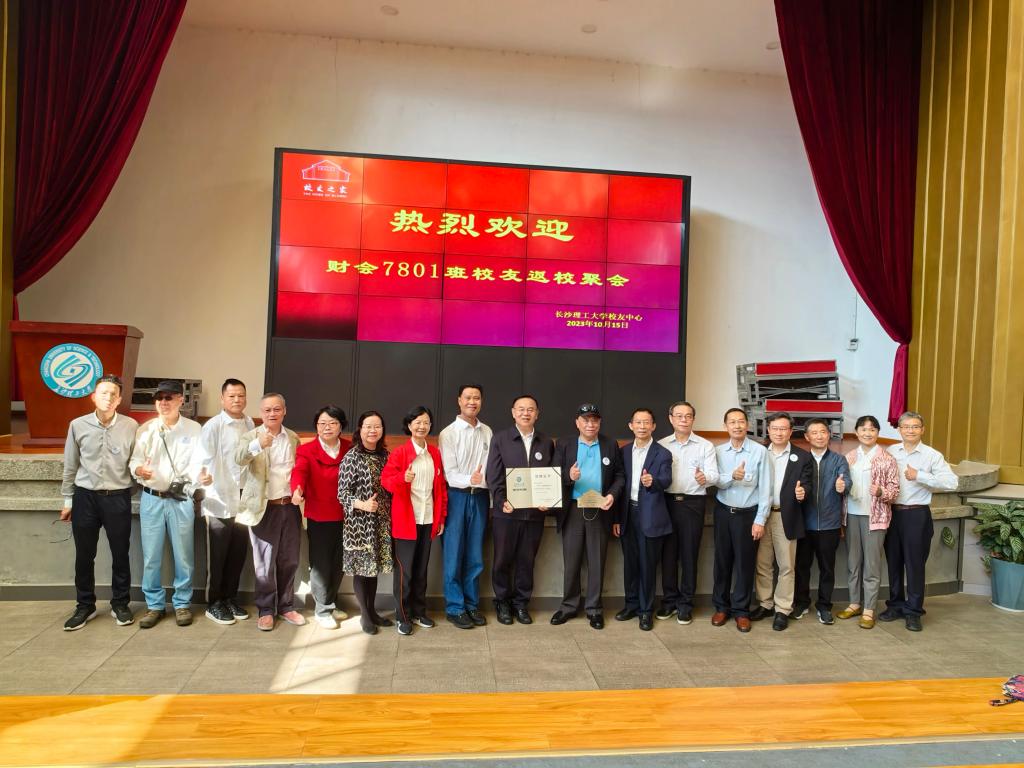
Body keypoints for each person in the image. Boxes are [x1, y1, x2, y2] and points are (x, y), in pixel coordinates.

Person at [59, 375, 139, 631]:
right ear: (93, 397)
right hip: (85, 497)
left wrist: (131, 489)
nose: (108, 397)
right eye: (103, 393)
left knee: (120, 553)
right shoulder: (77, 425)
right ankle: (85, 605)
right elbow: (71, 464)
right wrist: (68, 500)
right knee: (84, 555)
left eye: (113, 394)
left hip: (117, 497)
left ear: (119, 399)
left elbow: (136, 462)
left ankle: (120, 603)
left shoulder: (131, 426)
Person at [129, 381, 210, 629]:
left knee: (183, 555)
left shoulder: (194, 429)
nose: (163, 402)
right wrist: (139, 470)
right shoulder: (146, 429)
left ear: (180, 400)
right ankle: (154, 605)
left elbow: (200, 462)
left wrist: (201, 477)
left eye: (169, 397)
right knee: (151, 555)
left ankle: (182, 603)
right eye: (159, 398)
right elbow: (134, 461)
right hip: (151, 498)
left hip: (181, 499)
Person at [881, 411, 958, 631]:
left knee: (915, 565)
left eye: (915, 427)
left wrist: (920, 476)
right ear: (899, 429)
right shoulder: (890, 451)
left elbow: (952, 482)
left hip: (917, 514)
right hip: (891, 513)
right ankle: (895, 605)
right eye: (906, 427)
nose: (910, 430)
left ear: (922, 430)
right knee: (894, 562)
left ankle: (913, 611)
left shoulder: (932, 455)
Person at [551, 404, 625, 630]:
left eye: (594, 420)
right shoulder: (564, 444)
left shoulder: (610, 444)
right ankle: (568, 606)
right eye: (586, 420)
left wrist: (612, 495)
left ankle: (594, 609)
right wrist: (569, 476)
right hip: (573, 509)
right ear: (577, 422)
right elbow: (553, 474)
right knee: (571, 561)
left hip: (600, 509)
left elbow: (620, 475)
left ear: (599, 423)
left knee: (597, 561)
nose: (590, 424)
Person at [235, 393, 303, 632]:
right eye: (267, 410)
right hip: (264, 508)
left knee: (289, 559)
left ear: (284, 411)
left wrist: (300, 489)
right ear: (260, 413)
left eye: (276, 409)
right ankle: (265, 610)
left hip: (290, 506)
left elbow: (299, 470)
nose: (272, 413)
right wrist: (257, 445)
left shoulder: (293, 437)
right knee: (264, 563)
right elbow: (238, 459)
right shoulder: (250, 436)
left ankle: (286, 606)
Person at [486, 394, 555, 626]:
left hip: (534, 515)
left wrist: (548, 500)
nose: (526, 413)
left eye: (531, 409)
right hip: (506, 513)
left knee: (527, 561)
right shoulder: (500, 439)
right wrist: (500, 501)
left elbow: (551, 475)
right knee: (502, 560)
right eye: (521, 409)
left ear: (537, 414)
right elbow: (493, 475)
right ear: (513, 412)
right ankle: (502, 603)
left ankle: (521, 604)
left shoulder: (546, 442)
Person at [382, 406, 448, 636]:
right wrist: (403, 477)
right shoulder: (400, 453)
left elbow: (440, 489)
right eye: (417, 422)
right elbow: (386, 481)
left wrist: (441, 517)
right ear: (409, 426)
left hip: (428, 519)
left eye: (426, 422)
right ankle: (402, 615)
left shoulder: (435, 453)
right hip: (405, 522)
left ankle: (419, 612)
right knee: (405, 572)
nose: (422, 426)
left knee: (421, 570)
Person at [198, 378, 255, 625]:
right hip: (219, 499)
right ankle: (214, 603)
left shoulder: (250, 423)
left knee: (237, 553)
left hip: (243, 500)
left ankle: (230, 598)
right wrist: (202, 477)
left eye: (241, 395)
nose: (237, 400)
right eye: (231, 396)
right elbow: (201, 459)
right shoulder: (213, 426)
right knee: (218, 556)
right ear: (222, 399)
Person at [657, 401, 719, 625]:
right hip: (666, 503)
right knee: (668, 555)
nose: (684, 419)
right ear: (670, 418)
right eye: (679, 416)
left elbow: (714, 475)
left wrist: (705, 478)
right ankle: (669, 601)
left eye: (688, 416)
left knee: (689, 555)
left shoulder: (705, 446)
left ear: (693, 419)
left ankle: (685, 604)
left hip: (693, 503)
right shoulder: (661, 445)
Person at [750, 412, 813, 632]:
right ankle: (765, 603)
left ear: (791, 431)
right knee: (763, 563)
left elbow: (808, 484)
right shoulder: (758, 452)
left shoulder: (802, 457)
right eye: (775, 428)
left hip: (786, 516)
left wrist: (803, 493)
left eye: (783, 428)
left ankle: (783, 609)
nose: (779, 432)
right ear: (768, 430)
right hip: (760, 516)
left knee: (787, 565)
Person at [290, 405, 351, 629]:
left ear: (341, 426)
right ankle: (322, 609)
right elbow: (300, 471)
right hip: (319, 514)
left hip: (347, 514)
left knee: (340, 562)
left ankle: (330, 603)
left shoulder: (350, 448)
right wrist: (297, 489)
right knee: (321, 564)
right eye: (322, 423)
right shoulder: (307, 450)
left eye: (333, 423)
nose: (327, 427)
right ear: (316, 426)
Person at [837, 415, 900, 629]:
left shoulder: (887, 459)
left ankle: (869, 609)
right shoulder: (849, 457)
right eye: (863, 429)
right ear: (856, 432)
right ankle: (854, 603)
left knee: (871, 565)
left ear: (878, 433)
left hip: (876, 518)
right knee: (853, 563)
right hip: (851, 515)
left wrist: (881, 492)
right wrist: (839, 487)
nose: (867, 433)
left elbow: (894, 491)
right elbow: (842, 486)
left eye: (872, 429)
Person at [438, 384, 491, 630]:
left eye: (476, 397)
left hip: (480, 497)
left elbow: (491, 469)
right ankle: (455, 607)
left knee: (475, 556)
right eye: (468, 397)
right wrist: (470, 479)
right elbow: (450, 474)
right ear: (459, 400)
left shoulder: (487, 431)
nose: (472, 401)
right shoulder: (448, 433)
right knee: (453, 555)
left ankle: (471, 604)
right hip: (456, 497)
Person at [614, 408, 673, 631]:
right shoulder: (623, 452)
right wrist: (617, 518)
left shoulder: (663, 453)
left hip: (650, 516)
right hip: (628, 513)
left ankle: (646, 611)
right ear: (631, 426)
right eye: (638, 422)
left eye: (646, 422)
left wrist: (653, 481)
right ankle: (631, 605)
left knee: (647, 566)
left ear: (653, 426)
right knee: (630, 564)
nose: (642, 426)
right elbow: (619, 484)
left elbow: (666, 479)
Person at [712, 408, 770, 633]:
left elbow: (765, 488)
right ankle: (721, 607)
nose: (737, 426)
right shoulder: (717, 451)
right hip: (723, 512)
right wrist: (731, 477)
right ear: (725, 426)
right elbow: (714, 480)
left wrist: (760, 520)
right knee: (722, 562)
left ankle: (741, 611)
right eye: (732, 422)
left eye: (741, 422)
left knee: (745, 564)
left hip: (748, 515)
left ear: (748, 425)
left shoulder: (759, 451)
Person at [338, 410, 394, 635]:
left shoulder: (386, 455)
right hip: (359, 524)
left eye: (377, 426)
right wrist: (363, 504)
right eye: (368, 426)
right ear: (360, 430)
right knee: (362, 570)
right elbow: (342, 494)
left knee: (374, 568)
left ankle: (372, 611)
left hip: (381, 523)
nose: (373, 430)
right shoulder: (352, 457)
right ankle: (364, 615)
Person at [792, 417, 850, 626]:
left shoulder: (838, 460)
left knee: (827, 568)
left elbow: (846, 481)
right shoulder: (801, 459)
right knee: (802, 566)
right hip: (804, 523)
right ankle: (801, 602)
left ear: (829, 435)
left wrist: (843, 486)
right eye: (814, 433)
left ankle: (824, 606)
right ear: (807, 437)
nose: (819, 436)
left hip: (829, 524)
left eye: (823, 432)